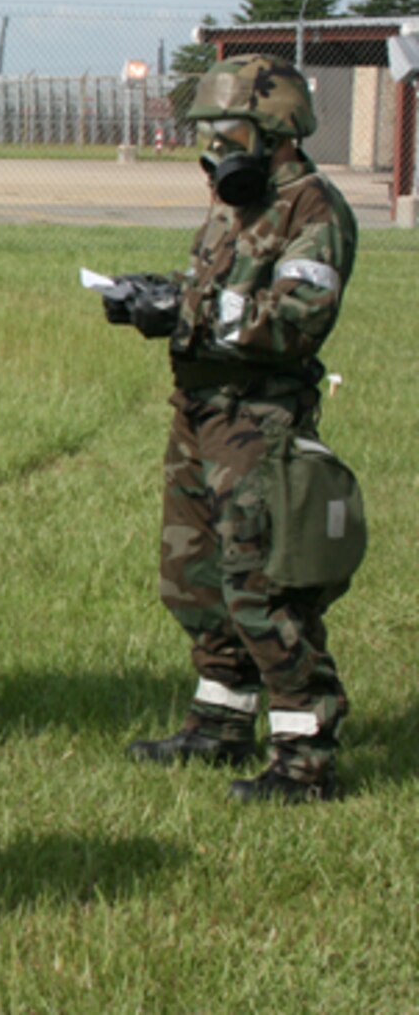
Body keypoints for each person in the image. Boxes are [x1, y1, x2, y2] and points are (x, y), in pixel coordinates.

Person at [101, 54, 359, 803]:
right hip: (200, 413)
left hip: (259, 422)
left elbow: (297, 320)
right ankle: (219, 723)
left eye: (229, 132)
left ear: (276, 132)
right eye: (209, 132)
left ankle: (305, 759)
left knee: (264, 587)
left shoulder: (313, 209)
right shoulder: (233, 204)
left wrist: (184, 312)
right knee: (194, 582)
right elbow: (217, 289)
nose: (214, 148)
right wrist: (155, 295)